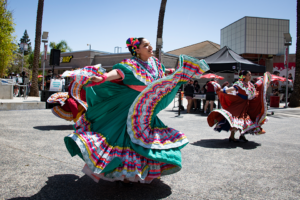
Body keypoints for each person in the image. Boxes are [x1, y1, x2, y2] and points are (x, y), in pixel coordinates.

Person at [60, 37, 210, 185]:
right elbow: (118, 73)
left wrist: (176, 73)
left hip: (146, 109)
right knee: (122, 138)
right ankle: (124, 174)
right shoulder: (130, 64)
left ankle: (138, 173)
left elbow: (161, 77)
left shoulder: (156, 63)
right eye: (146, 45)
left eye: (150, 45)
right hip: (127, 106)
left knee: (145, 139)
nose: (151, 47)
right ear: (137, 50)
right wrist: (103, 77)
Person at [207, 70, 271, 142]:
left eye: (250, 74)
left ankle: (242, 135)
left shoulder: (250, 84)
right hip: (239, 104)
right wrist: (223, 90)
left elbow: (254, 90)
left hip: (247, 104)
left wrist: (262, 82)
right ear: (244, 76)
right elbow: (232, 89)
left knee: (245, 121)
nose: (250, 76)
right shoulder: (240, 84)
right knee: (236, 119)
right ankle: (232, 136)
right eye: (248, 75)